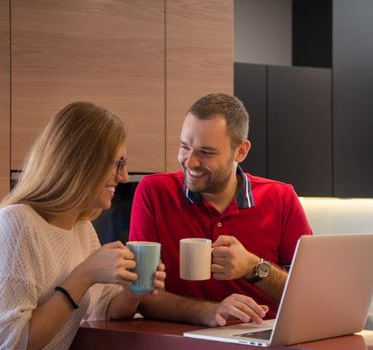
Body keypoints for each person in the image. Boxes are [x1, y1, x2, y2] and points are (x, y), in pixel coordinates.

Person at [0, 102, 166, 350]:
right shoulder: (17, 224)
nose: (123, 176)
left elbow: (104, 308)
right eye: (117, 163)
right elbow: (3, 345)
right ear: (81, 164)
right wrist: (83, 275)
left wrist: (134, 291)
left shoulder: (82, 229)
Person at [129, 93, 312, 327]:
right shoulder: (154, 192)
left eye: (206, 153)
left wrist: (253, 268)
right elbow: (142, 296)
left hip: (262, 341)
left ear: (241, 151)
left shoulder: (282, 198)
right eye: (185, 147)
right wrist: (209, 312)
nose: (190, 162)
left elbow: (308, 296)